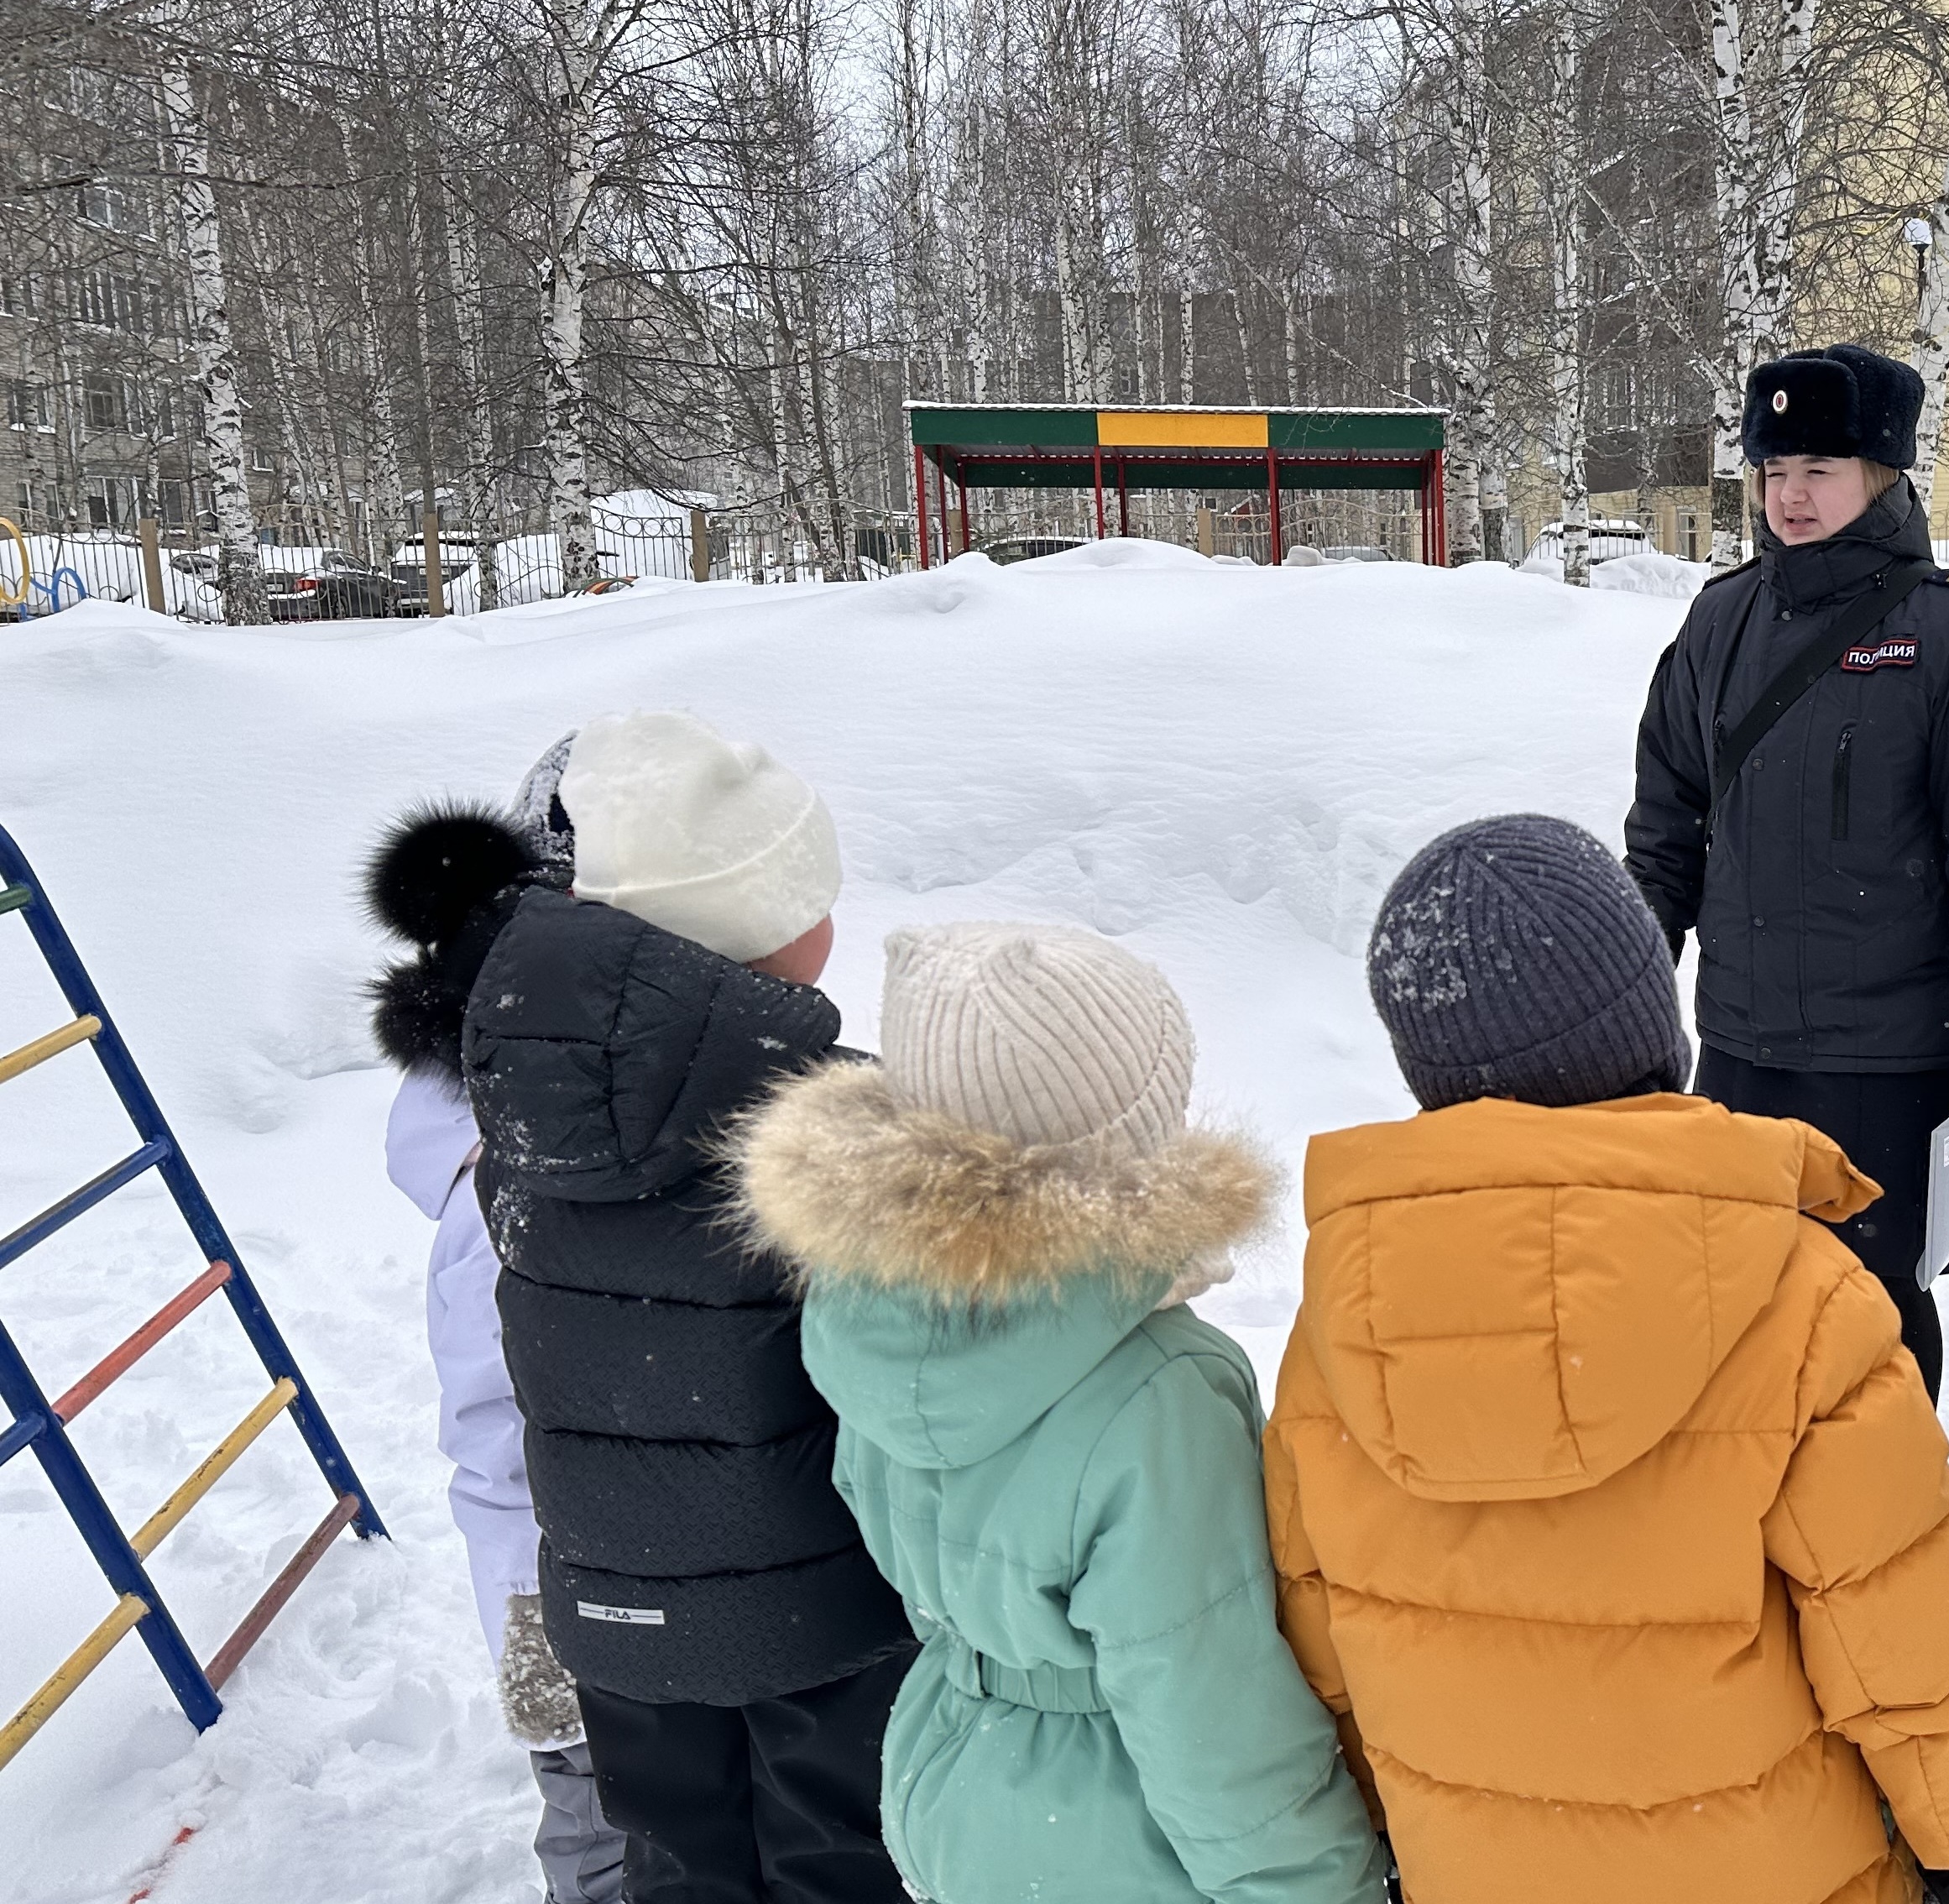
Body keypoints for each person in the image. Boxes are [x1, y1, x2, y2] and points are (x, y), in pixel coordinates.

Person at [1267, 814, 1949, 1904]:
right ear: (1654, 1025)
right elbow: (1906, 1651)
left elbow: (1326, 1658)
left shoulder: (1341, 1333)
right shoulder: (1800, 1300)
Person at [732, 922, 1384, 1903]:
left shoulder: (868, 1317)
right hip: (1129, 1841)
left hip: (957, 1788)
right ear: (1124, 1148)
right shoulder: (1160, 1390)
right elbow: (1204, 1703)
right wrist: (1316, 1885)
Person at [460, 710, 915, 1904]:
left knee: (672, 1862)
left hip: (613, 1609)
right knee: (842, 1864)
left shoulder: (526, 1122)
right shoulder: (837, 1121)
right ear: (764, 922)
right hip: (817, 1613)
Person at [1624, 341, 1949, 1400]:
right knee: (1739, 1302)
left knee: (1880, 1309)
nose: (1790, 496)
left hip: (1888, 1058)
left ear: (1881, 472)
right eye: (1774, 471)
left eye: (1818, 469)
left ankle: (1892, 1498)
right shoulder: (1720, 619)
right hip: (1741, 1049)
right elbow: (1668, 821)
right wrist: (1631, 975)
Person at [361, 735, 624, 1904]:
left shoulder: (542, 1131)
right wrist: (534, 1614)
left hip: (656, 1580)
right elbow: (498, 1421)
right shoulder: (512, 1189)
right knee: (608, 1824)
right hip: (584, 1597)